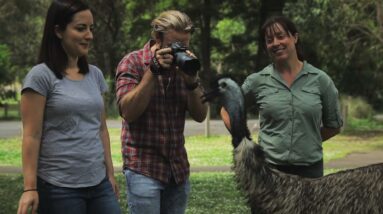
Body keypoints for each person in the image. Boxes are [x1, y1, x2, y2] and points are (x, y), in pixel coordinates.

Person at [17, 1, 121, 214]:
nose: (89, 35)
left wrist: (109, 174)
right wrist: (30, 188)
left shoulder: (95, 75)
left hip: (99, 183)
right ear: (58, 31)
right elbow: (31, 135)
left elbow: (101, 129)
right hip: (58, 187)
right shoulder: (41, 76)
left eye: (91, 29)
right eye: (81, 28)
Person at [221, 15, 343, 179]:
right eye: (269, 40)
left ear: (295, 37)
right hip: (269, 172)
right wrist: (245, 142)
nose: (276, 43)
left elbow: (333, 125)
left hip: (310, 174)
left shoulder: (321, 80)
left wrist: (309, 140)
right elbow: (227, 110)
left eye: (281, 36)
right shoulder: (257, 81)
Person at [115, 10, 208, 214]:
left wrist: (192, 82)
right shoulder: (133, 62)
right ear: (157, 38)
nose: (179, 51)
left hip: (177, 170)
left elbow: (201, 115)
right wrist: (152, 71)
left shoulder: (183, 66)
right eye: (174, 45)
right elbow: (127, 112)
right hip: (143, 167)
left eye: (185, 45)